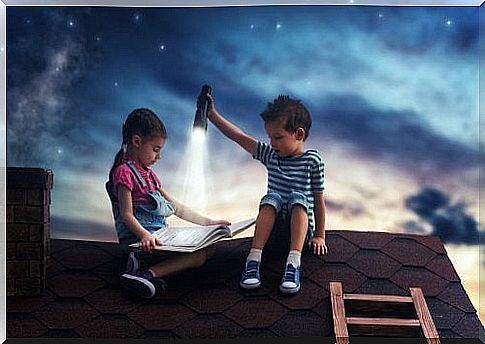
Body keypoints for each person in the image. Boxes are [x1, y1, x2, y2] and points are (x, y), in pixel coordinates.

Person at [207, 94, 327, 294]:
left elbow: (318, 200)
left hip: (299, 235)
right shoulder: (271, 156)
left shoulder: (312, 161)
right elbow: (239, 137)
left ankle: (293, 263)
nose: (272, 143)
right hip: (273, 234)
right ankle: (253, 260)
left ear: (299, 134)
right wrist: (212, 115)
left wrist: (320, 236)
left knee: (299, 199)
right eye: (270, 137)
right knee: (271, 199)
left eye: (278, 137)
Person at [106, 108, 230, 298]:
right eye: (156, 150)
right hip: (141, 240)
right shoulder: (124, 172)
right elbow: (126, 214)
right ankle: (143, 274)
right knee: (197, 257)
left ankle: (148, 271)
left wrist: (209, 223)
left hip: (160, 236)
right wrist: (145, 236)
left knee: (209, 249)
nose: (159, 157)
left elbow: (176, 207)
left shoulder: (151, 176)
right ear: (137, 141)